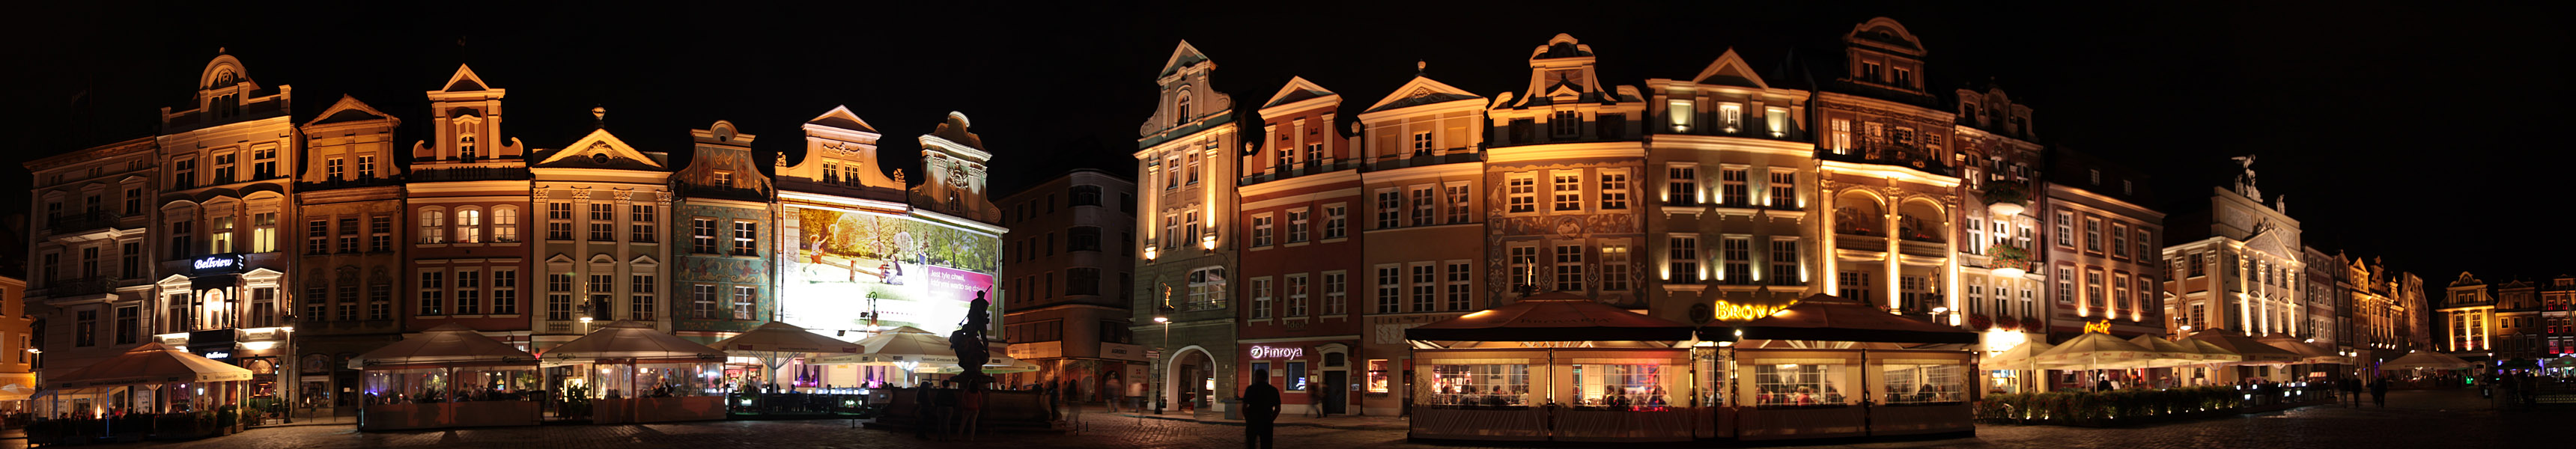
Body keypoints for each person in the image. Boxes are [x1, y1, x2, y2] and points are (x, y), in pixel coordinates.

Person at [1242, 368, 1282, 449]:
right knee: (1266, 444)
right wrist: (1271, 419)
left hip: (1253, 420)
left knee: (1251, 444)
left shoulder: (1250, 389)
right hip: (1266, 420)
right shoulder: (1273, 390)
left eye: (1255, 376)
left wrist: (1248, 419)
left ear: (1257, 377)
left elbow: (1244, 407)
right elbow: (1278, 409)